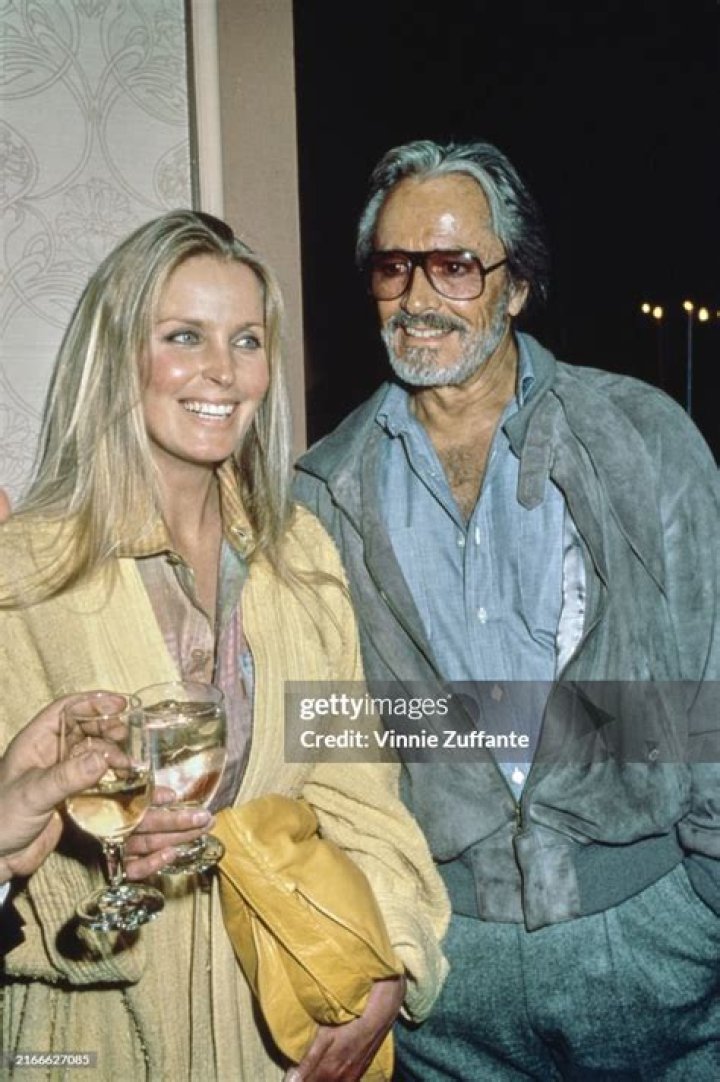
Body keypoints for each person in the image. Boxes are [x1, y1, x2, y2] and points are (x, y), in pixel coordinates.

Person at [294, 139, 720, 1079]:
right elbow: (325, 731)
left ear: (517, 285)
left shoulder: (642, 436)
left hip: (654, 945)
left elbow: (711, 686)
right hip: (454, 981)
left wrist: (705, 907)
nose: (419, 296)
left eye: (455, 265)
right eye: (394, 267)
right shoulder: (322, 490)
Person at [0, 210, 449, 1081]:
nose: (223, 370)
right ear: (117, 353)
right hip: (90, 1040)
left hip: (269, 1026)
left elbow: (358, 790)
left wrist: (388, 955)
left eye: (247, 340)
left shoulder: (297, 557)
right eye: (184, 336)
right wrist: (82, 870)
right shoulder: (24, 573)